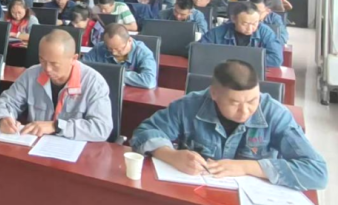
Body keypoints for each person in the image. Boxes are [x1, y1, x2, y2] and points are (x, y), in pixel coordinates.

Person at [131, 60, 327, 191]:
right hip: (196, 196)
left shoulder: (275, 114)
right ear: (214, 94)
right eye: (234, 103)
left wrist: (248, 167)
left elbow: (317, 172)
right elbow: (144, 132)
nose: (245, 111)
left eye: (253, 100)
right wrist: (170, 155)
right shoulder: (189, 106)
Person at [0, 30, 112, 141]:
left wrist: (56, 126)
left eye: (54, 64)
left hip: (73, 149)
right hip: (34, 144)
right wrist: (3, 117)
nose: (47, 69)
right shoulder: (31, 74)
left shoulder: (94, 83)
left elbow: (101, 128)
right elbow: (6, 102)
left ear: (74, 58)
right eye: (42, 60)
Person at [200, 1, 283, 68]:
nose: (250, 28)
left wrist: (234, 59)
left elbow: (276, 59)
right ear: (233, 19)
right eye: (245, 24)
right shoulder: (217, 32)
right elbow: (198, 51)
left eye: (254, 23)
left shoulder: (266, 32)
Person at [83, 24, 157, 89]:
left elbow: (149, 81)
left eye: (118, 49)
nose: (114, 52)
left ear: (129, 41)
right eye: (109, 48)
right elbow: (82, 67)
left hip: (133, 95)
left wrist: (116, 74)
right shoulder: (100, 47)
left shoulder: (143, 52)